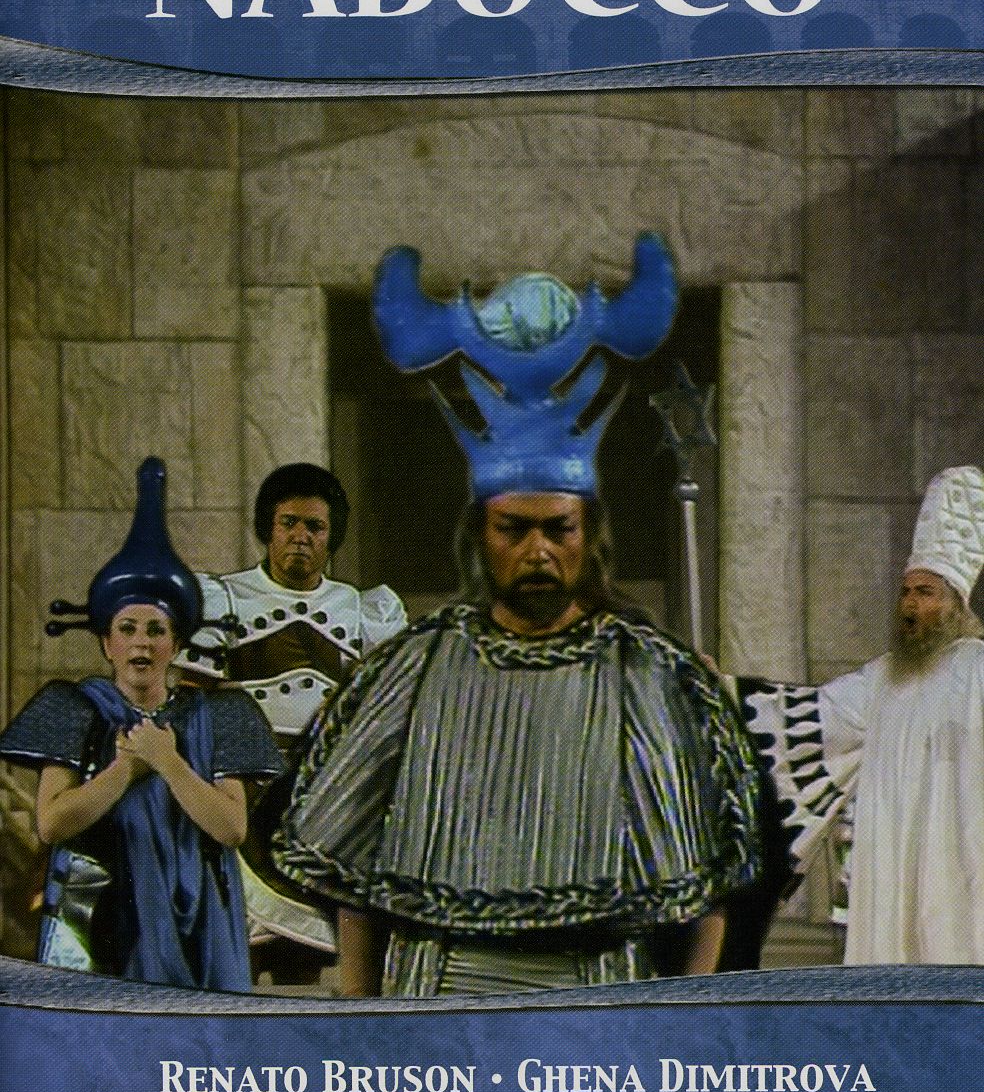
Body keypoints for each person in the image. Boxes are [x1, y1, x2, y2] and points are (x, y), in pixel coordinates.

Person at [274, 238, 762, 998]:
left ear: (587, 536)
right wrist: (360, 1011)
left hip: (596, 996)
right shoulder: (412, 670)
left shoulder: (650, 672)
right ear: (481, 536)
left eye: (558, 529)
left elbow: (709, 886)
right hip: (436, 993)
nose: (538, 550)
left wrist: (680, 1009)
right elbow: (352, 872)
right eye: (515, 530)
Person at [0, 458, 282, 991]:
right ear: (107, 643)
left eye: (156, 630)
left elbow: (231, 828)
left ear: (176, 644)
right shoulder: (75, 708)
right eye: (127, 628)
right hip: (98, 916)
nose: (142, 643)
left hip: (202, 927)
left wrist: (168, 762)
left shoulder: (220, 713)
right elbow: (53, 824)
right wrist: (126, 770)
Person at [733, 464, 984, 965]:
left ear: (955, 604)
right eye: (906, 592)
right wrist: (715, 690)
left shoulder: (979, 671)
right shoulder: (882, 680)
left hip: (965, 868)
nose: (909, 605)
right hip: (892, 869)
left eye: (925, 593)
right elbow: (802, 719)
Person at [179, 462, 406, 975]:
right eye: (289, 524)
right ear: (269, 528)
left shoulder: (362, 609)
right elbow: (191, 702)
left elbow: (386, 710)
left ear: (331, 538)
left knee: (309, 952)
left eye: (315, 527)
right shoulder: (225, 598)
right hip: (239, 791)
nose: (300, 537)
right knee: (237, 952)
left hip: (324, 797)